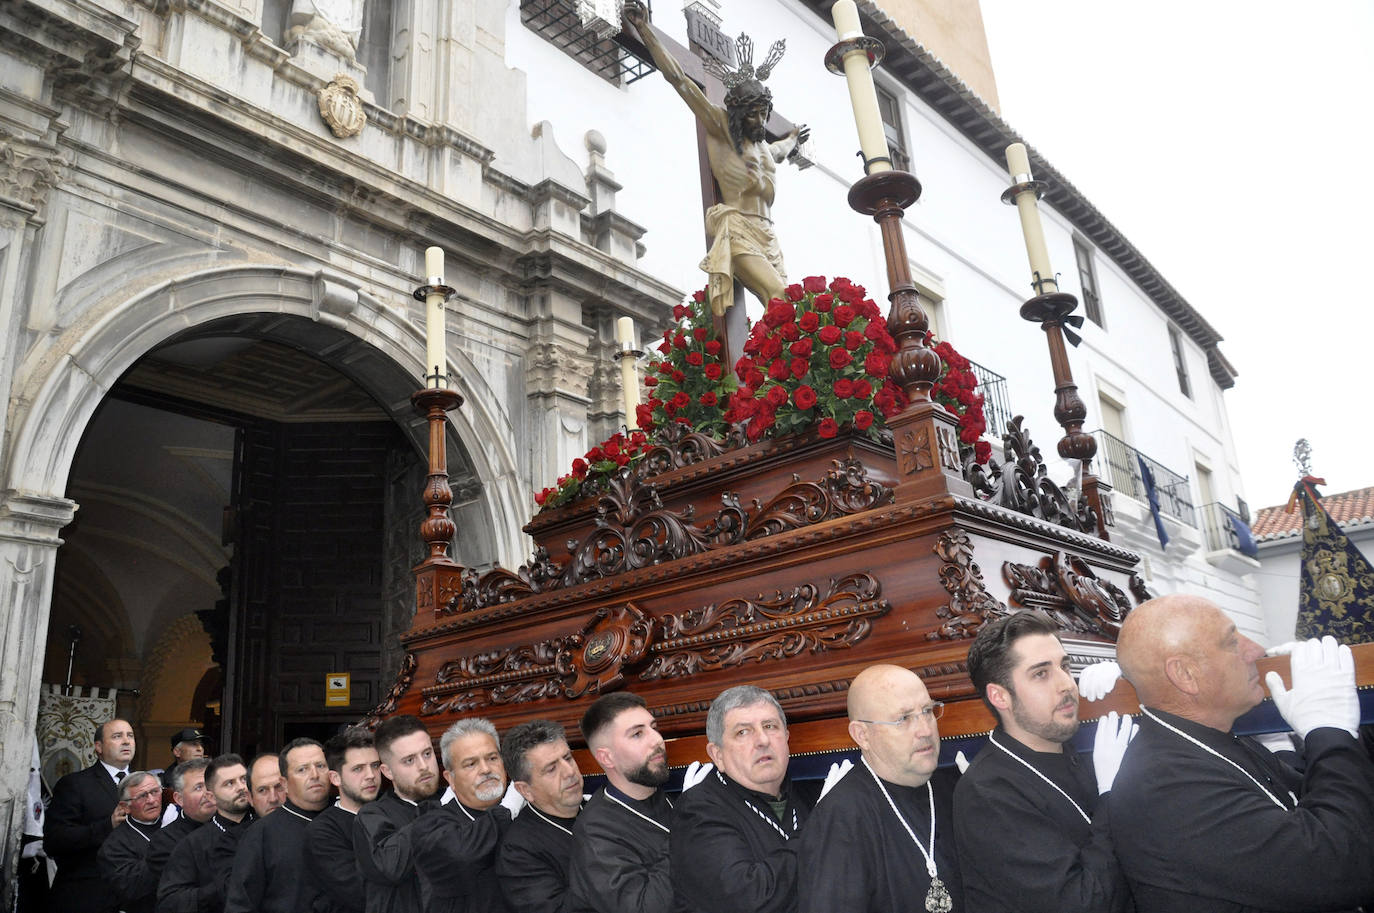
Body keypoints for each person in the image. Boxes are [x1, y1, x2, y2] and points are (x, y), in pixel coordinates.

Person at [1109, 594, 1374, 912]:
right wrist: (1329, 732)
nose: (1256, 651)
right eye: (1232, 642)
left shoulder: (1214, 742)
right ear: (1185, 675)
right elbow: (1339, 868)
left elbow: (1318, 803)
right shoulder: (1166, 785)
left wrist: (1320, 736)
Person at [622, 1, 807, 319]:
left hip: (769, 236)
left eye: (763, 112)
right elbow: (680, 80)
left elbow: (780, 150)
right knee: (778, 296)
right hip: (739, 227)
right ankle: (765, 365)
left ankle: (765, 364)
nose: (759, 119)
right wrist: (644, 29)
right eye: (752, 113)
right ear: (738, 112)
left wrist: (791, 138)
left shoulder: (764, 149)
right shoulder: (720, 126)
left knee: (789, 306)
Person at [953, 612, 1134, 913]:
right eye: (1041, 674)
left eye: (1065, 666)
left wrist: (1132, 680)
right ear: (1000, 696)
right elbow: (1080, 902)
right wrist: (1110, 799)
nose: (1066, 684)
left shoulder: (1093, 749)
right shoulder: (988, 793)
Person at [797, 664, 963, 913]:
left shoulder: (955, 790)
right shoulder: (840, 818)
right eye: (904, 718)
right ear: (862, 735)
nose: (925, 730)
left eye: (927, 711)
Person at [672, 685, 812, 913]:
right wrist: (819, 828)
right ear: (718, 755)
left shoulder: (811, 796)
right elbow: (750, 900)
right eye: (743, 732)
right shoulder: (698, 810)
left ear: (786, 739)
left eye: (770, 726)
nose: (763, 740)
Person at [566, 692, 674, 913]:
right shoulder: (595, 832)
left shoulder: (667, 798)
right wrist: (688, 822)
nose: (657, 739)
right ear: (607, 758)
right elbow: (643, 907)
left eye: (654, 727)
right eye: (637, 734)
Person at [412, 718, 512, 913]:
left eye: (492, 758)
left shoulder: (528, 809)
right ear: (451, 779)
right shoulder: (430, 825)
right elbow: (461, 855)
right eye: (471, 764)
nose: (485, 769)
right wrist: (508, 810)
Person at [224, 737, 331, 912]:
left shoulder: (350, 817)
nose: (314, 775)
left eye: (320, 766)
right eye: (302, 769)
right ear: (285, 783)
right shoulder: (260, 834)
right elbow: (241, 904)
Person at [44, 717, 136, 913]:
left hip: (133, 897)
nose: (127, 741)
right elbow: (54, 841)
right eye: (117, 736)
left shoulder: (149, 787)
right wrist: (107, 825)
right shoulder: (75, 784)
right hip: (86, 896)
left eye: (130, 736)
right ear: (99, 746)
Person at [495, 720, 586, 913]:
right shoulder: (518, 851)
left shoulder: (602, 809)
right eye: (551, 769)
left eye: (568, 758)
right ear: (525, 790)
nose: (569, 772)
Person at [354, 715, 441, 913]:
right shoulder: (372, 816)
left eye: (427, 754)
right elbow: (393, 867)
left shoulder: (452, 801)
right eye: (409, 760)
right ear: (387, 771)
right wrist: (437, 811)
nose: (423, 766)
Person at [158, 753, 255, 913]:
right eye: (229, 783)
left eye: (243, 779)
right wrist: (223, 888)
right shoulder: (192, 844)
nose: (241, 787)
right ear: (211, 796)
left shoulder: (265, 826)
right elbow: (170, 901)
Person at [306, 728, 382, 913]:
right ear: (335, 778)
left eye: (375, 765)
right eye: (358, 769)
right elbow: (361, 894)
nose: (371, 775)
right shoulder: (322, 832)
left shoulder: (394, 813)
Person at [97, 770, 164, 913]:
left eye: (155, 791)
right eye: (142, 796)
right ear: (125, 807)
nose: (152, 800)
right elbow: (132, 888)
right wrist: (168, 842)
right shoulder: (114, 845)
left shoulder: (175, 822)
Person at [145, 758, 216, 892]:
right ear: (179, 799)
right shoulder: (164, 841)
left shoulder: (237, 825)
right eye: (199, 787)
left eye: (211, 785)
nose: (208, 793)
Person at [161, 728, 208, 825]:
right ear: (177, 752)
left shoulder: (211, 776)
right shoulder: (164, 783)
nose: (200, 749)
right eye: (194, 744)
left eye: (201, 745)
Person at [248, 752, 286, 818]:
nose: (273, 799)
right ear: (250, 798)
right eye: (262, 790)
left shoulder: (309, 827)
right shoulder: (247, 828)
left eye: (279, 787)